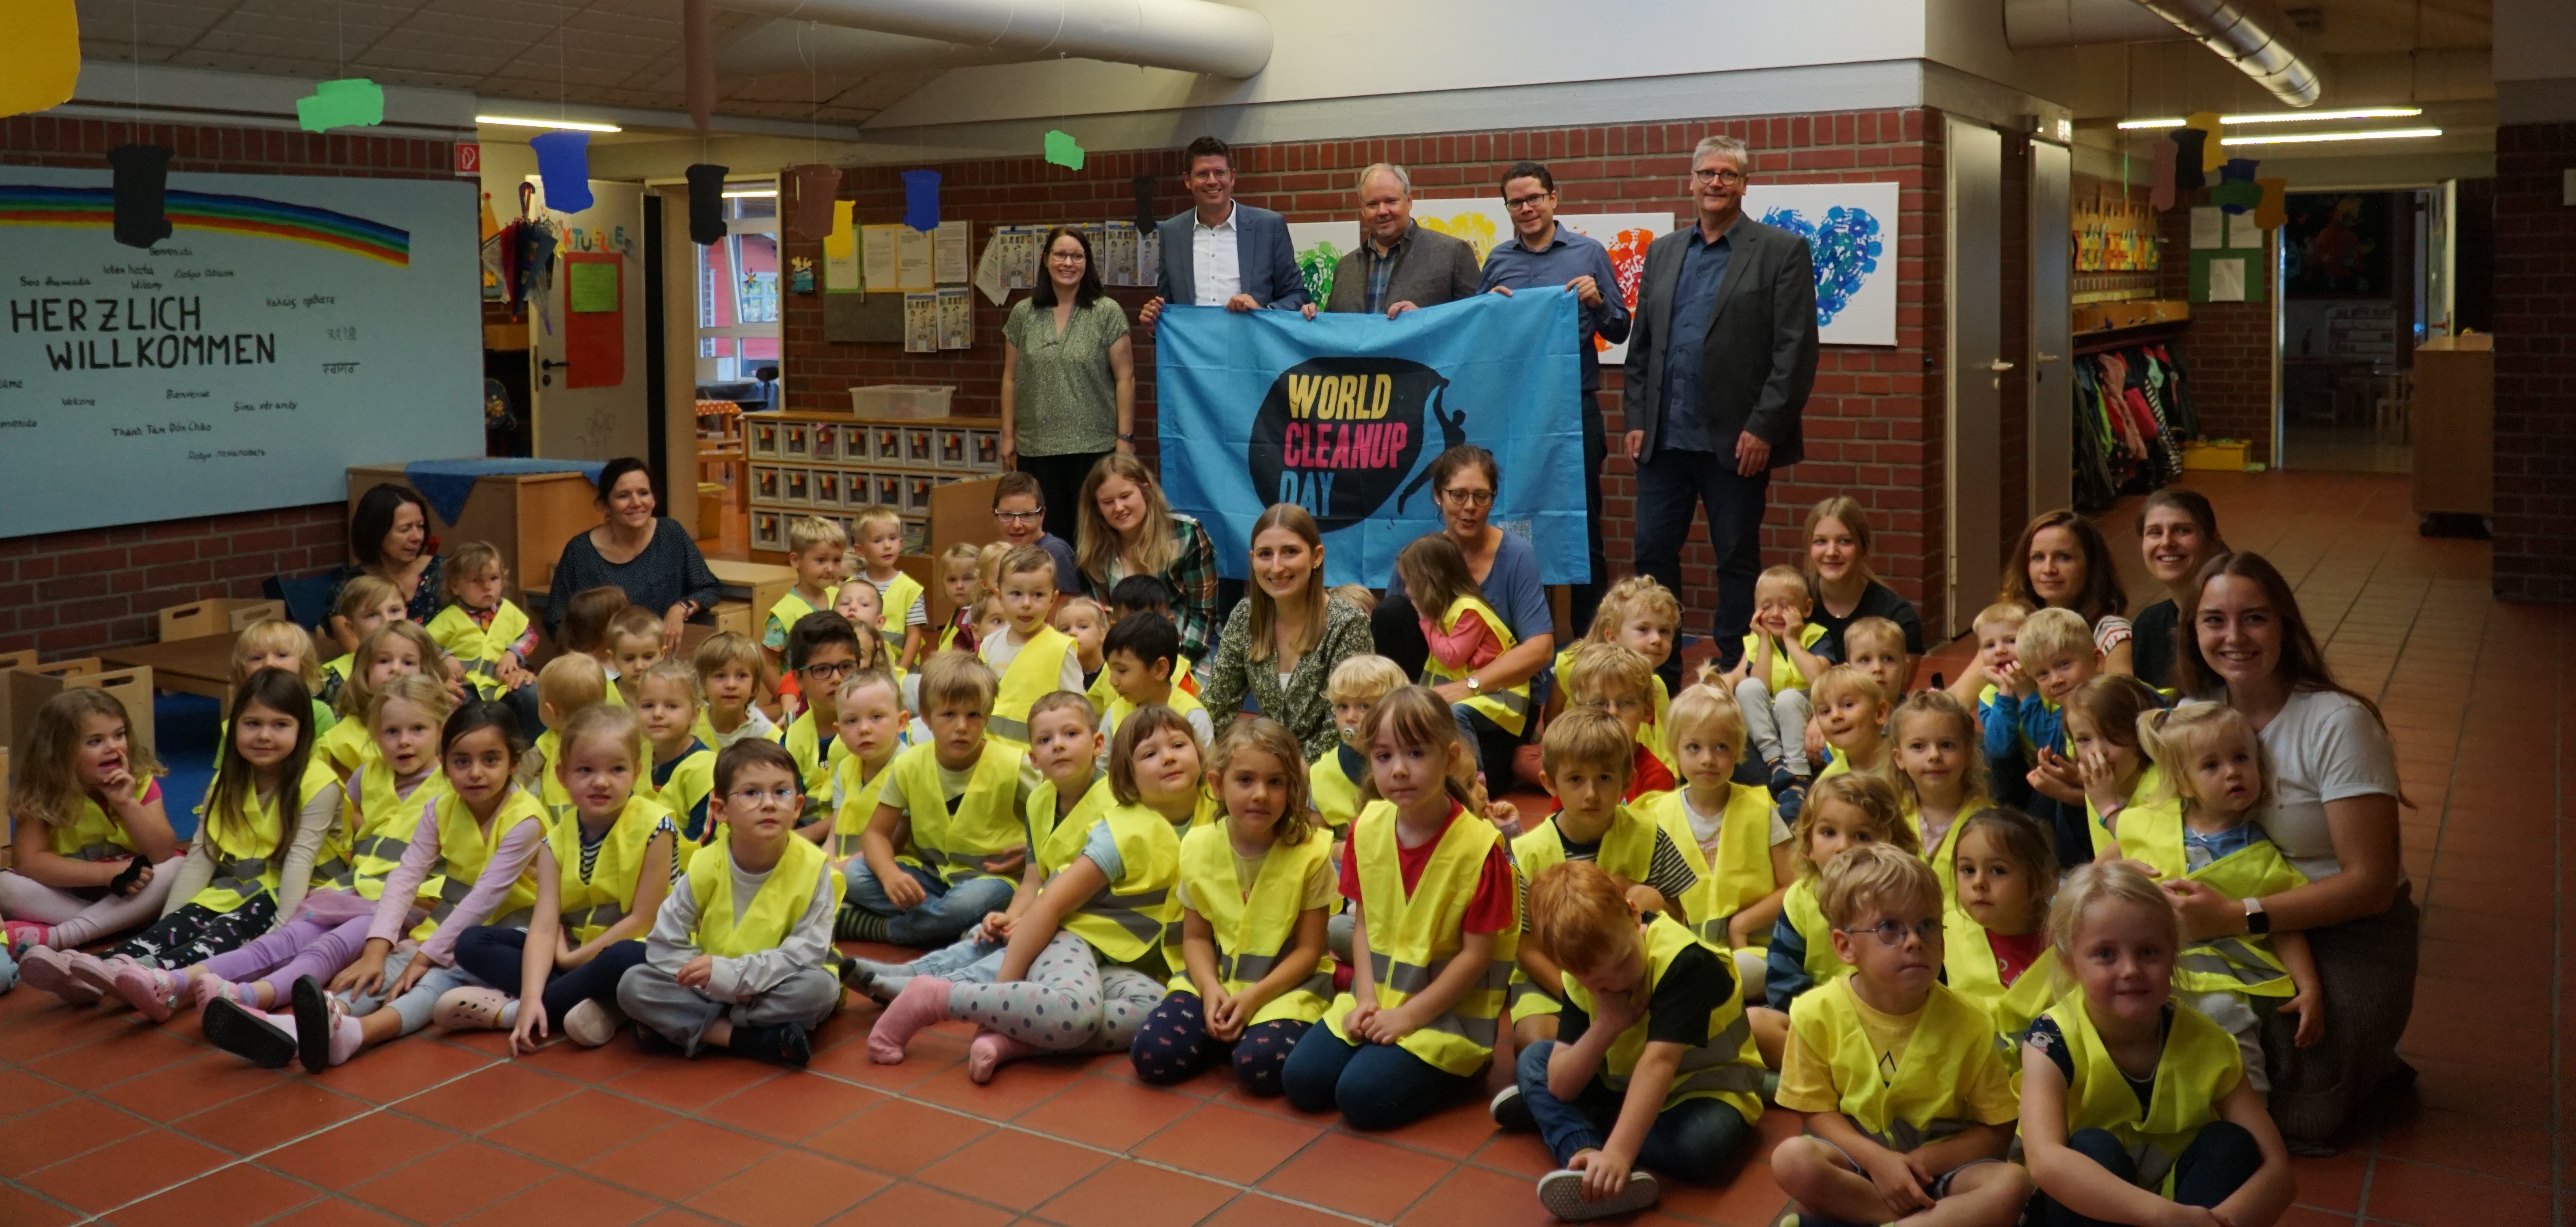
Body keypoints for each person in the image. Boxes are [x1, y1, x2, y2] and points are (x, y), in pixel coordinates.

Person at [867, 705, 1207, 1084]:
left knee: (1153, 1010)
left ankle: (1015, 1043)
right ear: (1127, 776)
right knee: (1075, 1013)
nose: (1169, 757)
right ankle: (934, 996)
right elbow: (1050, 903)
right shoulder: (1123, 832)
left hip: (1120, 961)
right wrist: (1001, 995)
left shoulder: (1216, 813)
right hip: (1070, 939)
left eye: (1179, 744)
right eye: (1150, 754)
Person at [199, 701, 544, 1072]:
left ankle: (357, 1033)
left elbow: (485, 898)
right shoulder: (439, 808)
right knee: (383, 970)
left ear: (514, 761)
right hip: (448, 928)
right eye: (462, 761)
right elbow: (406, 876)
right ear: (444, 762)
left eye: (490, 760)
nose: (476, 773)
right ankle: (315, 1023)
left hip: (506, 935)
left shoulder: (524, 818)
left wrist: (426, 955)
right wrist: (377, 950)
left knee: (436, 979)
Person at [1623, 135, 1818, 681]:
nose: (1716, 183)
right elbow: (1641, 346)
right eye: (1707, 173)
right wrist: (1637, 419)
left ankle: (1736, 670)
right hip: (1664, 438)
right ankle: (1658, 670)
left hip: (1737, 442)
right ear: (1691, 182)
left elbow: (1795, 352)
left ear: (1744, 184)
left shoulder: (1780, 250)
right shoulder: (1663, 252)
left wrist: (1765, 429)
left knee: (1736, 559)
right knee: (1652, 553)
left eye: (1728, 175)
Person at [1282, 686, 1519, 1131]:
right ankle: (1381, 1045)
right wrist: (1367, 1000)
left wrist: (1407, 1017)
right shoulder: (1367, 828)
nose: (1400, 770)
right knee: (1303, 1082)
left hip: (1445, 1022)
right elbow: (1365, 924)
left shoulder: (1480, 846)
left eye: (1416, 753)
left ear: (1450, 757)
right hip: (1380, 999)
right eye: (1385, 756)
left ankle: (1462, 1072)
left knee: (1359, 1098)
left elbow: (1477, 955)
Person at [2020, 862, 2294, 1227]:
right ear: (2069, 963)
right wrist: (2169, 1219)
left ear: (2173, 955)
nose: (2131, 969)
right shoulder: (2049, 1040)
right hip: (2096, 1212)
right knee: (2090, 1148)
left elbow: (2279, 1172)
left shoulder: (2209, 1041)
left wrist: (2213, 1223)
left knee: (2232, 1143)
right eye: (2105, 953)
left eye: (2149, 951)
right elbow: (2045, 1160)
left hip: (2187, 1213)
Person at [1771, 845, 2030, 1227]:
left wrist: (1919, 1164)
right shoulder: (1814, 1013)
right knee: (1791, 1160)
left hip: (1943, 1170)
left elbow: (1999, 1128)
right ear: (1845, 946)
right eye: (1889, 927)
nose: (1914, 941)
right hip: (1860, 1162)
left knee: (2013, 1183)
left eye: (1927, 925)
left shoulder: (1971, 1018)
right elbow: (1814, 1109)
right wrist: (1879, 1161)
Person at [1508, 860, 1767, 1221]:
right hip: (1626, 1088)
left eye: (1624, 961)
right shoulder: (1578, 979)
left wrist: (1619, 1154)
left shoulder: (1684, 961)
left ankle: (1577, 1132)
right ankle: (1584, 1153)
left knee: (1700, 1146)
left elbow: (1659, 1062)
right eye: (1597, 982)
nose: (1615, 984)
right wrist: (1609, 1023)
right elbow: (1562, 1084)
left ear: (1634, 915)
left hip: (1705, 1093)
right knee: (1535, 1059)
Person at [437, 703, 676, 1050]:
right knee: (471, 942)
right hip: (576, 951)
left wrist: (568, 960)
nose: (601, 781)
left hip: (634, 950)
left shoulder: (658, 826)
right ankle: (566, 1003)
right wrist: (537, 989)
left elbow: (644, 921)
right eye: (585, 770)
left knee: (623, 958)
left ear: (637, 772)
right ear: (562, 776)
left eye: (618, 769)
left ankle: (511, 1011)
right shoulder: (556, 838)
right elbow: (545, 926)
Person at [1128, 718, 1335, 1096]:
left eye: (1276, 782)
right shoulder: (1198, 846)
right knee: (1151, 1055)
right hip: (1213, 981)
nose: (1260, 794)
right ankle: (1221, 1027)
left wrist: (1254, 998)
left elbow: (1309, 951)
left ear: (1293, 790)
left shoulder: (1312, 854)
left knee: (1260, 1066)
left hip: (1284, 991)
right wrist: (1209, 990)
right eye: (1245, 780)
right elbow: (1195, 938)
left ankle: (1232, 1036)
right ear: (1217, 784)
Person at [2128, 702, 2324, 1095]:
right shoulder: (2152, 823)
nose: (2232, 771)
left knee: (2228, 1024)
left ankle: (2251, 1106)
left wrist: (2310, 987)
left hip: (2220, 972)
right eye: (2211, 766)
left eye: (2241, 758)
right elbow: (2106, 868)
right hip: (2146, 960)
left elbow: (2282, 923)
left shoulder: (2260, 852)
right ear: (2183, 784)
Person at [617, 739, 846, 1067]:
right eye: (751, 793)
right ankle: (752, 1040)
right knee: (633, 985)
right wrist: (717, 983)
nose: (769, 804)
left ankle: (698, 1029)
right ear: (721, 810)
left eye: (781, 793)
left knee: (820, 988)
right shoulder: (703, 864)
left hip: (770, 984)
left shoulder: (815, 866)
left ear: (797, 807)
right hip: (711, 987)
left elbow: (805, 952)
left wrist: (734, 977)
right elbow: (664, 943)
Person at [1496, 707, 1700, 1066]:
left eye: (1604, 778)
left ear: (1626, 780)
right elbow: (1526, 949)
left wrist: (1650, 900)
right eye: (1575, 780)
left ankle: (1585, 1093)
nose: (1591, 793)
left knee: (1670, 1042)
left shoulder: (1648, 833)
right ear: (1549, 782)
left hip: (1634, 978)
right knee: (1534, 1047)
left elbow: (1679, 920)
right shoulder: (1528, 851)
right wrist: (1583, 998)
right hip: (1555, 981)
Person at [1480, 160, 1633, 632]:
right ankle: (1515, 633)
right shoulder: (1498, 260)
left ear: (1554, 199)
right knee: (1510, 522)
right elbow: (1477, 338)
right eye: (1516, 202)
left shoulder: (1588, 254)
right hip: (1514, 416)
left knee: (1580, 526)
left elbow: (1620, 328)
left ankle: (1593, 639)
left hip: (1573, 409)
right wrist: (1488, 308)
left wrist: (1595, 300)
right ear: (1507, 207)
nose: (1526, 208)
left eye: (1534, 198)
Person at [1376, 446, 1557, 779]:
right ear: (1438, 496)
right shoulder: (1420, 557)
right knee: (1391, 612)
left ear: (1493, 499)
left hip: (1498, 703)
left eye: (1481, 496)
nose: (1470, 507)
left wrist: (1467, 687)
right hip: (1432, 697)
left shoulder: (1517, 555)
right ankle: (1402, 727)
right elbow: (1392, 634)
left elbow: (1541, 648)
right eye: (1458, 495)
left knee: (1460, 780)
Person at [848, 653, 1030, 947]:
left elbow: (1059, 820)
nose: (962, 726)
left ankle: (884, 929)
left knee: (965, 904)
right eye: (949, 715)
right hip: (930, 876)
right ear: (927, 716)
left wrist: (1033, 849)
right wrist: (891, 874)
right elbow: (875, 834)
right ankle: (947, 926)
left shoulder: (1014, 764)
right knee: (856, 875)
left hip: (989, 880)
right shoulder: (909, 764)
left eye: (974, 715)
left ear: (988, 715)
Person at [1637, 685, 1792, 990]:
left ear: (1737, 752)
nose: (1708, 759)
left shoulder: (1761, 807)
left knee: (1747, 971)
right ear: (1674, 751)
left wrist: (1741, 923)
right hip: (1681, 948)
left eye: (1720, 747)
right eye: (1694, 747)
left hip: (1751, 949)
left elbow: (1793, 885)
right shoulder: (1655, 814)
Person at [1757, 773, 1920, 1061]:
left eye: (1862, 836)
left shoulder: (1903, 902)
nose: (1843, 847)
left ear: (1892, 846)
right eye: (1829, 832)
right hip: (1820, 1022)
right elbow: (1783, 977)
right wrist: (1820, 1018)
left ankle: (1835, 1077)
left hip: (1888, 1022)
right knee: (1757, 1022)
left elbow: (1919, 976)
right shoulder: (1800, 897)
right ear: (1808, 843)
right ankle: (1839, 1073)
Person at [1199, 503, 1376, 761]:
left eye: (1290, 552)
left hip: (1331, 771)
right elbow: (1217, 705)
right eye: (1265, 554)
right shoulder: (1245, 616)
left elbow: (1345, 728)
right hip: (1268, 767)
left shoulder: (1348, 623)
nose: (1277, 567)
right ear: (1252, 559)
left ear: (1317, 557)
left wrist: (1289, 775)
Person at [1002, 226, 1137, 543]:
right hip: (1036, 448)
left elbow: (1125, 378)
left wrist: (1125, 439)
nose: (1068, 263)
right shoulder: (1024, 314)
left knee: (1095, 538)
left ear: (1087, 263)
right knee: (1045, 540)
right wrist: (1008, 435)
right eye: (1061, 255)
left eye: (1078, 256)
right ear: (1045, 259)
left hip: (1094, 448)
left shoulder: (1107, 312)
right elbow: (1010, 377)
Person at [544, 458, 723, 654]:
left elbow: (709, 587)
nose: (636, 503)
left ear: (654, 499)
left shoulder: (672, 534)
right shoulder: (580, 551)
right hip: (601, 663)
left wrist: (680, 609)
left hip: (658, 660)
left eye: (644, 493)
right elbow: (556, 619)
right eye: (623, 496)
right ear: (604, 505)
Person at [1139, 136, 1309, 327]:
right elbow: (1168, 307)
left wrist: (1263, 312)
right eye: (1203, 174)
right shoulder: (1172, 233)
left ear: (1233, 177)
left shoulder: (1269, 227)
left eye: (1220, 172)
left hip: (1251, 350)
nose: (1212, 181)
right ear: (1188, 180)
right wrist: (1155, 324)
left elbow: (1298, 296)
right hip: (1194, 354)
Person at [1986, 607, 2105, 867]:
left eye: (2064, 665)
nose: (2056, 680)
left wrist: (2064, 790)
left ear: (2097, 661)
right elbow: (1998, 749)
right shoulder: (2067, 710)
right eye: (2042, 674)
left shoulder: (2107, 709)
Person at [1075, 452, 1219, 664]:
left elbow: (1203, 614)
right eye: (1107, 502)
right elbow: (1104, 622)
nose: (1119, 508)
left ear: (1146, 490)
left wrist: (1176, 667)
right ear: (1097, 508)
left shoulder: (1186, 533)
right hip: (1123, 657)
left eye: (1125, 496)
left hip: (1187, 651)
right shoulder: (1094, 551)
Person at [1944, 807, 2064, 1049]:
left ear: (2045, 881)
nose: (1978, 883)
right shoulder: (1945, 931)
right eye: (1968, 870)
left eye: (1998, 871)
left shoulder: (2070, 942)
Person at [1309, 164, 1479, 320]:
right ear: (1362, 210)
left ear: (1409, 201)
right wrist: (1314, 318)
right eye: (1373, 204)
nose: (1382, 211)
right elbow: (1333, 330)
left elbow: (1476, 322)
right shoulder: (1345, 268)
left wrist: (1425, 320)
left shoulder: (1452, 254)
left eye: (1391, 201)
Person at [1722, 566, 1829, 794]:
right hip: (1770, 718)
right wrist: (1762, 640)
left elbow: (1820, 680)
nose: (1775, 614)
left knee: (1788, 698)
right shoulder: (1756, 641)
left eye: (1786, 606)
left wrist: (1792, 640)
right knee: (1748, 686)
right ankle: (1775, 762)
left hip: (1804, 708)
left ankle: (1799, 775)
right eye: (1766, 606)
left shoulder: (1816, 635)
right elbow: (1762, 686)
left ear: (1807, 608)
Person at [1888, 689, 1995, 913]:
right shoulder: (1890, 819)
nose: (1934, 755)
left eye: (1947, 745)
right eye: (1918, 746)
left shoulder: (1991, 823)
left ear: (1968, 753)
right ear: (1899, 758)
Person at [424, 541, 543, 733]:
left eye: (494, 579)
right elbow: (423, 644)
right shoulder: (449, 617)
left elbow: (530, 636)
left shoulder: (508, 611)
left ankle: (533, 749)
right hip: (467, 686)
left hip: (504, 683)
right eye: (476, 581)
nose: (488, 587)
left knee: (531, 695)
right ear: (455, 586)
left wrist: (513, 654)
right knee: (456, 708)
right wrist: (444, 657)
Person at [2002, 509, 2134, 678]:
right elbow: (1961, 696)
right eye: (2038, 558)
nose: (2049, 569)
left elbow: (2122, 701)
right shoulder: (2011, 626)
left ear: (2092, 566)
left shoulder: (2110, 632)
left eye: (2064, 558)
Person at [1803, 496, 1927, 664]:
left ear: (1864, 548)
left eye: (1844, 541)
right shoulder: (1789, 604)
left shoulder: (1898, 618)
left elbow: (1895, 688)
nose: (1832, 552)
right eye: (1821, 541)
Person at [983, 544, 1083, 749]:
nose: (1026, 604)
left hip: (1038, 763)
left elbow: (1077, 711)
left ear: (1053, 600)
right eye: (1016, 594)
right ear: (999, 596)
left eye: (1038, 595)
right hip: (990, 757)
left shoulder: (1060, 649)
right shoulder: (989, 645)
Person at [2129, 490, 2227, 690]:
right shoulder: (2149, 625)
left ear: (2213, 539)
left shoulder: (2234, 622)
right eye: (2155, 533)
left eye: (2183, 530)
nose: (2167, 542)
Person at [1311, 654, 1406, 839]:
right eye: (1343, 707)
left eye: (1364, 706)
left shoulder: (1413, 763)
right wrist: (1334, 849)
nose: (1350, 718)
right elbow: (1312, 837)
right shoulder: (1323, 772)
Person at [324, 483, 445, 629]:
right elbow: (358, 650)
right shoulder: (349, 588)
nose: (417, 537)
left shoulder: (446, 572)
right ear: (376, 533)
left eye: (420, 526)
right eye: (405, 529)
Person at [1102, 612, 1214, 749]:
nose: (1113, 681)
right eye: (1110, 670)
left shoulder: (1192, 717)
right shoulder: (1114, 714)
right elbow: (1102, 768)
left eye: (1122, 671)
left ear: (1160, 669)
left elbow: (1205, 768)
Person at [764, 517, 846, 693]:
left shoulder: (843, 597)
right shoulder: (784, 612)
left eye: (837, 560)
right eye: (821, 560)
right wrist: (786, 698)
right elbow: (767, 663)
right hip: (802, 698)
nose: (830, 568)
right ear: (795, 560)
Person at [990, 471, 1083, 595]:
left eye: (1027, 515)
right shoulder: (1001, 555)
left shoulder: (1054, 552)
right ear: (995, 516)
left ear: (1042, 515)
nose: (1017, 525)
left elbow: (1063, 612)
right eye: (1007, 515)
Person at [691, 631, 781, 749]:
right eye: (720, 676)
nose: (731, 685)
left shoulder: (768, 736)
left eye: (742, 676)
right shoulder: (690, 725)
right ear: (703, 684)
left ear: (754, 687)